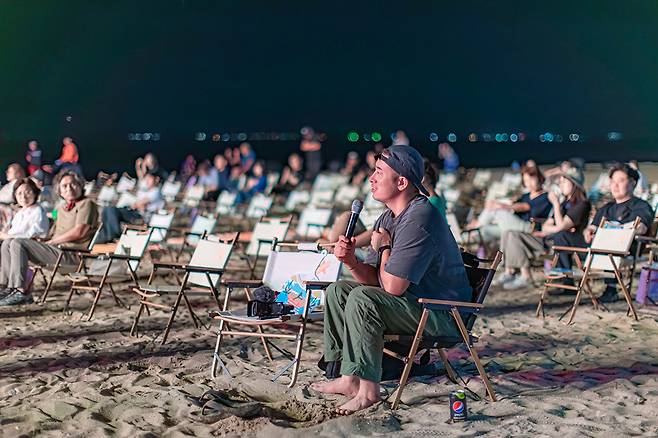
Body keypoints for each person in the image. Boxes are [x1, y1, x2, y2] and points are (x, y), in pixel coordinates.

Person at [311, 145, 471, 414]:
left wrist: (384, 247)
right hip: (415, 304)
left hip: (442, 314)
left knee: (362, 299)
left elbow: (393, 287)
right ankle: (349, 378)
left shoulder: (420, 216)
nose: (371, 178)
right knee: (339, 291)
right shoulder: (388, 216)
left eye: (378, 172)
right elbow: (377, 280)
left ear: (401, 182)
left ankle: (369, 392)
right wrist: (351, 261)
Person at [0, 170, 99, 306]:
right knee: (7, 243)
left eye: (73, 184)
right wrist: (44, 240)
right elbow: (52, 227)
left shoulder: (86, 204)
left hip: (73, 255)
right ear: (59, 191)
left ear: (81, 185)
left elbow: (79, 231)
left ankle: (21, 291)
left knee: (17, 243)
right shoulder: (61, 208)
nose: (69, 188)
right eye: (64, 186)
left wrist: (52, 241)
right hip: (57, 252)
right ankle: (6, 287)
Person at [498, 168, 591, 290]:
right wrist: (555, 227)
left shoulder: (581, 205)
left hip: (564, 244)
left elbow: (562, 226)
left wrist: (556, 205)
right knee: (510, 233)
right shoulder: (565, 204)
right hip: (548, 239)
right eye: (560, 182)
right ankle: (515, 273)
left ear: (575, 184)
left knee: (513, 234)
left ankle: (524, 277)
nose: (561, 185)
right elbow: (547, 225)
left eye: (564, 182)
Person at [584, 163, 654, 302]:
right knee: (564, 237)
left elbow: (642, 227)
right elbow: (592, 227)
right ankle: (565, 281)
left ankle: (611, 288)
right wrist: (589, 232)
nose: (615, 186)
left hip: (628, 247)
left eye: (620, 181)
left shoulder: (641, 206)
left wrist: (620, 230)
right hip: (601, 247)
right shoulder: (607, 208)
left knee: (609, 241)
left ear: (633, 183)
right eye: (613, 182)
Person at [468, 165, 552, 243]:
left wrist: (501, 205)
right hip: (515, 225)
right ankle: (463, 239)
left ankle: (475, 226)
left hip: (529, 228)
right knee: (484, 230)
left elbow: (524, 207)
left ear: (539, 178)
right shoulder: (526, 195)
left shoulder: (545, 196)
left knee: (497, 210)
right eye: (526, 180)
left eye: (532, 179)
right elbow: (514, 204)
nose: (529, 183)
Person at [97, 172, 164, 243]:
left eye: (149, 179)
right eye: (146, 179)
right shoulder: (147, 191)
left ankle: (113, 237)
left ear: (157, 179)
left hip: (142, 218)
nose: (146, 181)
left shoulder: (156, 192)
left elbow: (139, 204)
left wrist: (137, 204)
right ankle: (107, 236)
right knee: (108, 209)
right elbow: (139, 204)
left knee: (112, 210)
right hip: (135, 213)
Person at [0, 164, 27, 232]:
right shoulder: (8, 185)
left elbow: (10, 198)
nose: (7, 173)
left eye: (10, 171)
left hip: (10, 211)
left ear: (18, 173)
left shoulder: (21, 184)